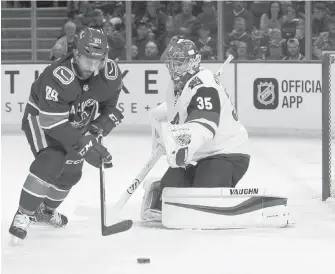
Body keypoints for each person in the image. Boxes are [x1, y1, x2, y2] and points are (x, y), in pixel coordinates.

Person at [9, 27, 124, 241]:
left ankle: (46, 211)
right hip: (42, 120)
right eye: (88, 59)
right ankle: (24, 214)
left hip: (76, 121)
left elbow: (109, 105)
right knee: (53, 159)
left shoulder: (110, 72)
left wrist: (100, 124)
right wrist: (85, 143)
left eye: (98, 60)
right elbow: (52, 123)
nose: (92, 66)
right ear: (77, 53)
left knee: (71, 173)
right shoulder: (58, 76)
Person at [141, 39, 250, 221]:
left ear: (193, 62)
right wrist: (161, 132)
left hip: (227, 153)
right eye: (173, 62)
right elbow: (172, 111)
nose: (175, 67)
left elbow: (203, 125)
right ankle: (159, 186)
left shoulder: (205, 85)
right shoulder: (176, 85)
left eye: (180, 62)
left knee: (202, 197)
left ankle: (217, 187)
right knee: (170, 192)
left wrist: (182, 147)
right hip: (196, 154)